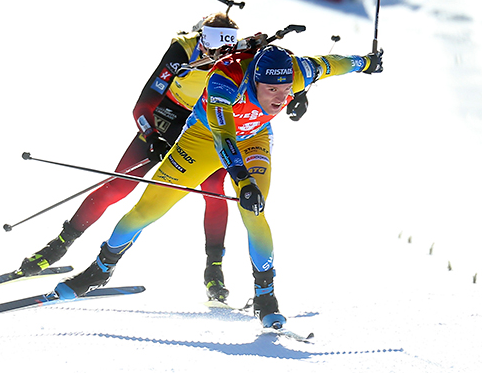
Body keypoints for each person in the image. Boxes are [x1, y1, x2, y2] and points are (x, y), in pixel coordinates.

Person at [53, 43, 384, 329]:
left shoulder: (299, 71)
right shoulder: (226, 80)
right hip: (205, 138)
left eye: (286, 91)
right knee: (148, 208)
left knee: (253, 210)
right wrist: (242, 179)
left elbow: (338, 64)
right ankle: (101, 269)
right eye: (272, 91)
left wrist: (366, 63)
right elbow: (223, 136)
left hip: (254, 138)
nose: (281, 98)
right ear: (255, 79)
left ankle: (266, 297)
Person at [17, 12, 242, 302]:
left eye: (228, 46)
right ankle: (61, 243)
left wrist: (298, 93)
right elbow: (142, 106)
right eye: (211, 43)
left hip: (203, 125)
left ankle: (214, 269)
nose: (219, 53)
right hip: (167, 115)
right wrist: (152, 137)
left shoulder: (238, 56)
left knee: (213, 191)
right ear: (201, 37)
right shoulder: (182, 50)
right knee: (119, 185)